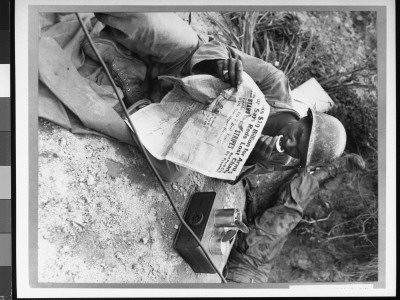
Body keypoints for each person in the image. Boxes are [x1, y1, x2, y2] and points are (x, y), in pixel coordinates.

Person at [80, 12, 347, 183]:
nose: (289, 144)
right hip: (182, 63)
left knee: (170, 171)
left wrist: (253, 156)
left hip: (181, 114)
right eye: (298, 136)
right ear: (304, 119)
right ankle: (132, 70)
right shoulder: (275, 83)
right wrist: (219, 68)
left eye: (296, 152)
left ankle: (133, 88)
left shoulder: (278, 159)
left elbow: (227, 174)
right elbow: (215, 48)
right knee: (144, 20)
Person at [224, 153, 366, 283]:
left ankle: (328, 171)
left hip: (249, 265)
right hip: (254, 268)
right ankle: (325, 173)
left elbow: (288, 210)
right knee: (285, 217)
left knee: (289, 212)